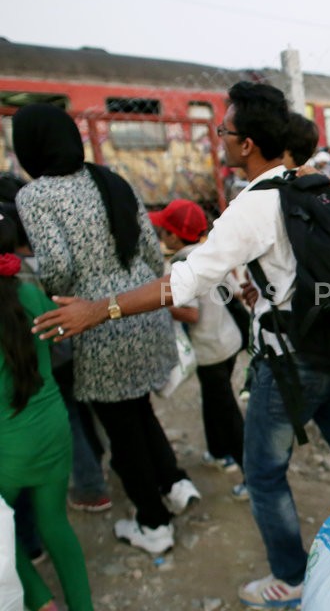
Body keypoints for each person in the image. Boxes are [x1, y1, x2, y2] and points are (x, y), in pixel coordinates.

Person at [32, 82, 330, 610]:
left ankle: (291, 579)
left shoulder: (253, 205)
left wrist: (99, 308)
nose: (220, 138)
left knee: (264, 474)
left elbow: (185, 282)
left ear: (246, 144)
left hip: (290, 360)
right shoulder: (309, 181)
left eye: (224, 131)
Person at [13, 103, 200, 557]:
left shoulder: (35, 196)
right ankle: (175, 484)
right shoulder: (109, 177)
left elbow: (58, 267)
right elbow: (155, 258)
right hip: (145, 310)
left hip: (99, 323)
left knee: (122, 429)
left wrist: (58, 295)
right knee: (137, 409)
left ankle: (153, 524)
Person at [0, 213, 93, 611]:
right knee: (55, 523)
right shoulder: (33, 295)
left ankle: (40, 601)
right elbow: (57, 340)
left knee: (3, 536)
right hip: (53, 427)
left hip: (7, 445)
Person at [149, 199, 247, 498]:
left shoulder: (181, 264)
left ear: (176, 237)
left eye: (164, 231)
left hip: (209, 350)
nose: (161, 236)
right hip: (227, 340)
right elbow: (232, 291)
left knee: (226, 409)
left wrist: (158, 304)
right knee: (215, 399)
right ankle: (219, 452)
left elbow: (191, 314)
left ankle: (251, 474)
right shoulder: (209, 253)